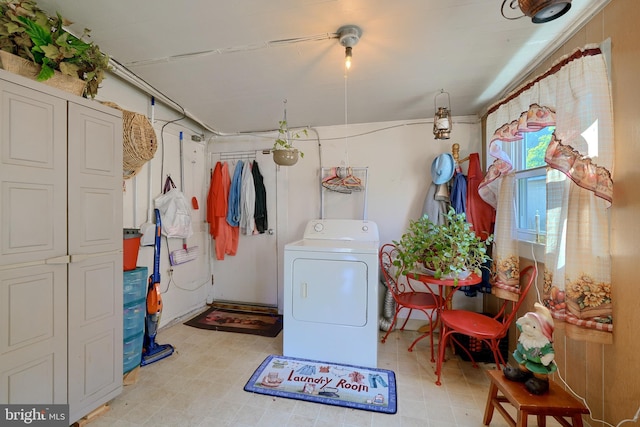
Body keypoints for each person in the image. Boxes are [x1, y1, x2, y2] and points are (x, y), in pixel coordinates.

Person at [503, 302, 557, 395]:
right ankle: (522, 374)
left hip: (538, 364)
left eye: (534, 327)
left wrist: (546, 358)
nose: (528, 328)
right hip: (525, 359)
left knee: (539, 373)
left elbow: (549, 352)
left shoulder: (542, 344)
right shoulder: (526, 339)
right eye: (527, 324)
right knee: (523, 366)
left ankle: (541, 381)